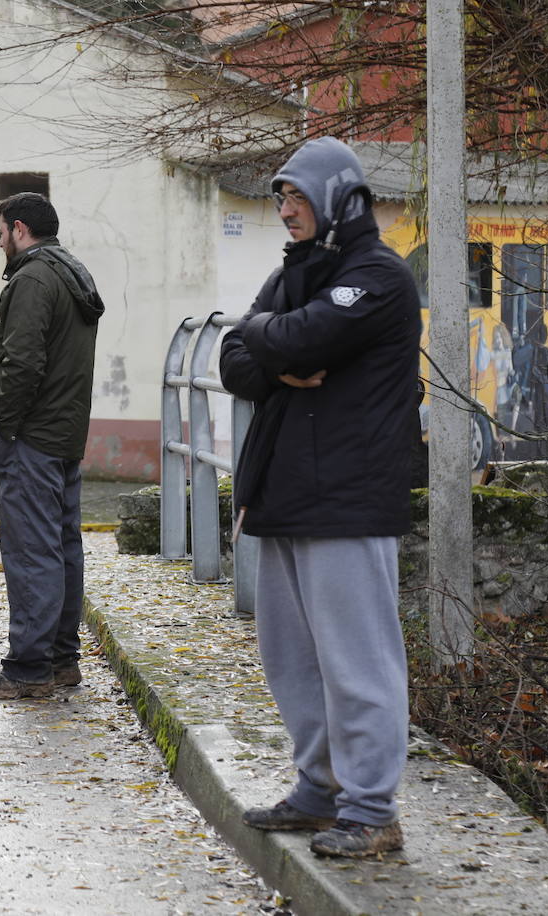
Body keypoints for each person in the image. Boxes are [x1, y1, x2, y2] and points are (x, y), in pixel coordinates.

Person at [219, 137, 421, 858]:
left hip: (348, 497)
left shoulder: (379, 277)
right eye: (280, 198)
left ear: (339, 197)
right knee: (292, 656)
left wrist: (267, 341)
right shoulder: (296, 274)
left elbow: (300, 336)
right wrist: (277, 358)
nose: (284, 211)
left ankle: (371, 809)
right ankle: (320, 789)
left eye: (297, 197)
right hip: (286, 494)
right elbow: (234, 358)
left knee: (357, 659)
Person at [0, 192, 104, 700]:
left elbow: (24, 364)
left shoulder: (32, 279)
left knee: (30, 551)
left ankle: (27, 668)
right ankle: (62, 660)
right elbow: (51, 357)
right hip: (64, 433)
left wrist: (6, 427)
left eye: (0, 233)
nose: (0, 243)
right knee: (62, 548)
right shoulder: (70, 273)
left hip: (32, 438)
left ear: (19, 229)